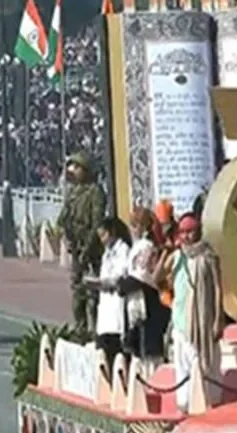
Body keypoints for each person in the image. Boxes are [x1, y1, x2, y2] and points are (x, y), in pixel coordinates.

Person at [155, 213, 224, 413]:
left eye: (190, 231)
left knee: (202, 367)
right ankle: (184, 408)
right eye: (183, 232)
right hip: (180, 322)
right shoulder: (177, 257)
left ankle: (208, 406)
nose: (186, 236)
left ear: (199, 231)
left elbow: (218, 289)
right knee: (183, 369)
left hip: (202, 323)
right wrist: (166, 252)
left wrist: (218, 319)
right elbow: (156, 277)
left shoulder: (209, 256)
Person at [58, 152, 107, 336]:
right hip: (76, 246)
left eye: (77, 167)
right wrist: (67, 234)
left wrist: (87, 249)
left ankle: (96, 328)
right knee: (77, 290)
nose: (73, 171)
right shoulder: (73, 193)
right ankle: (81, 327)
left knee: (94, 291)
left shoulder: (95, 192)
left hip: (92, 248)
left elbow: (97, 222)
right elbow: (63, 218)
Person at [119, 207, 169, 364]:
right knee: (137, 350)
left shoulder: (147, 246)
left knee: (149, 349)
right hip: (134, 300)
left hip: (147, 300)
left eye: (135, 225)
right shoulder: (137, 246)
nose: (132, 229)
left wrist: (122, 285)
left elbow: (142, 276)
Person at [83, 217, 131, 367]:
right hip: (105, 307)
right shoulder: (106, 253)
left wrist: (103, 282)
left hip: (117, 303)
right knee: (104, 348)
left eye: (104, 235)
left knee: (117, 350)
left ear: (113, 232)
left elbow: (120, 275)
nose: (102, 240)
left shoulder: (123, 250)